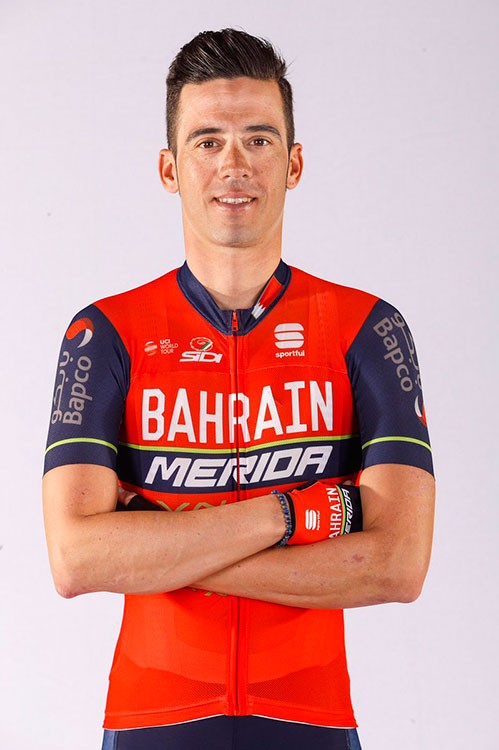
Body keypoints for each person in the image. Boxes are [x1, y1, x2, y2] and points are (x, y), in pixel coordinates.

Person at [43, 28, 435, 750]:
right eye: (207, 141)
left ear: (293, 164)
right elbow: (76, 560)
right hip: (151, 721)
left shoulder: (366, 329)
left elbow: (398, 565)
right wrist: (295, 513)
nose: (234, 164)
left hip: (310, 719)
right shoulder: (104, 334)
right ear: (169, 168)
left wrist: (163, 545)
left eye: (258, 139)